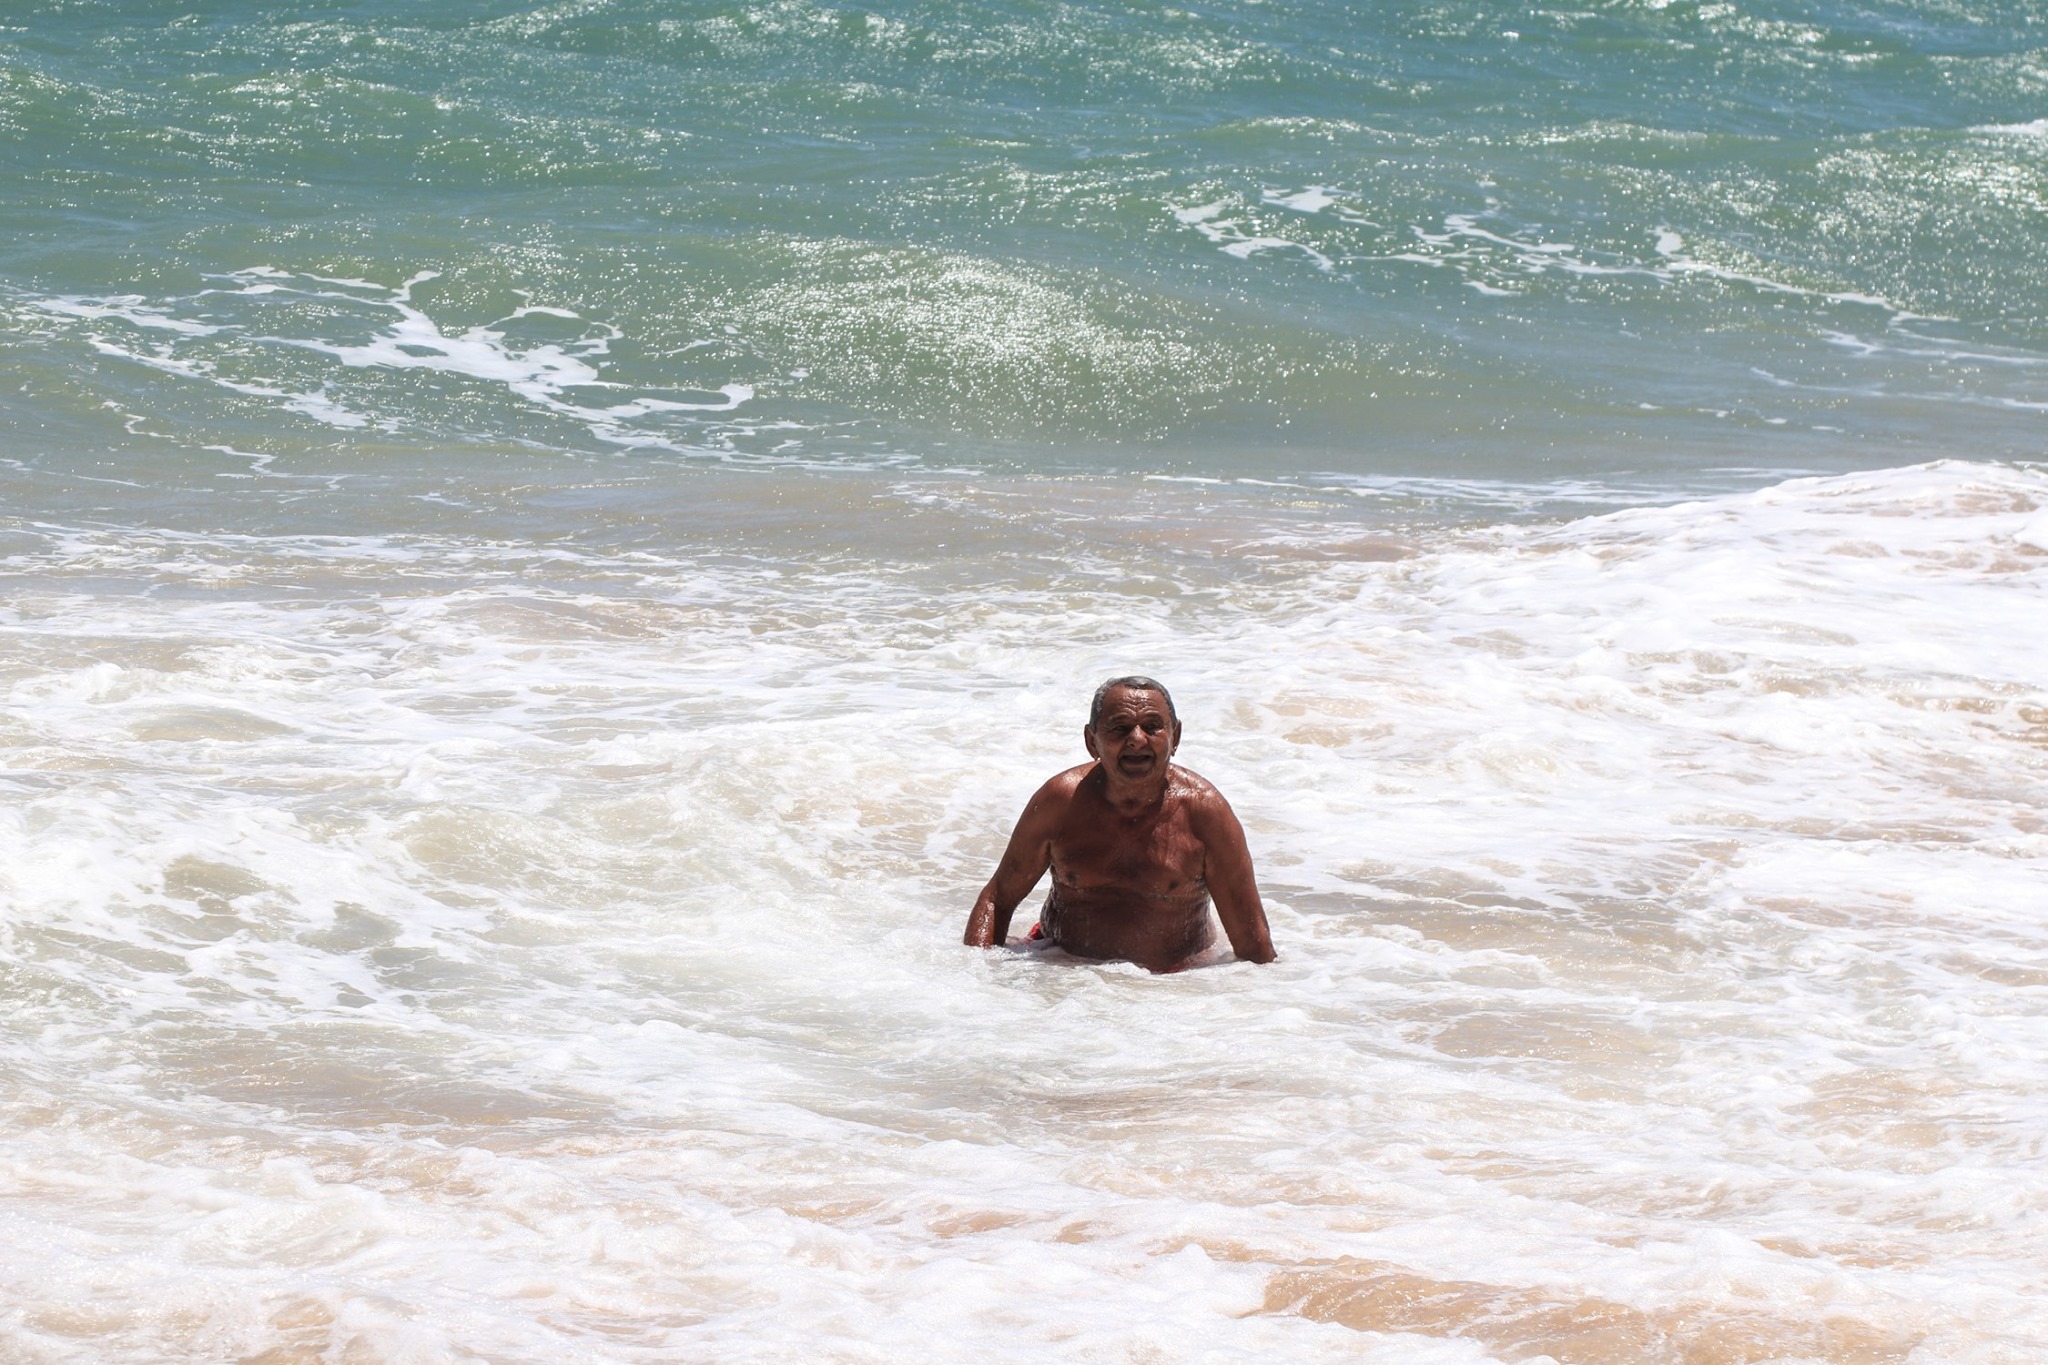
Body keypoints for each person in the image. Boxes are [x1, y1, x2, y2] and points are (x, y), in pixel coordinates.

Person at [962, 676, 1277, 972]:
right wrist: (978, 982)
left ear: (1175, 737)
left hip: (1174, 979)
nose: (1137, 740)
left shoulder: (1205, 812)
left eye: (1152, 727)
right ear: (1092, 741)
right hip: (1058, 961)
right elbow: (997, 900)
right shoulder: (1060, 802)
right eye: (1120, 728)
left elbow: (1253, 946)